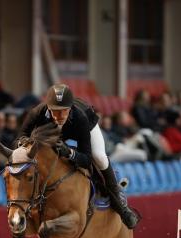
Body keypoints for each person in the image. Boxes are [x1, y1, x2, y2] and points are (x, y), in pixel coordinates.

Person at [18, 84, 140, 229]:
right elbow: (20, 137)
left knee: (99, 157)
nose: (59, 117)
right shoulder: (37, 113)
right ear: (47, 108)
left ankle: (121, 206)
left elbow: (87, 159)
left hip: (85, 126)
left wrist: (70, 153)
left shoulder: (80, 117)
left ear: (70, 108)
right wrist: (25, 143)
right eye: (54, 112)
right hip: (54, 136)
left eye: (64, 111)